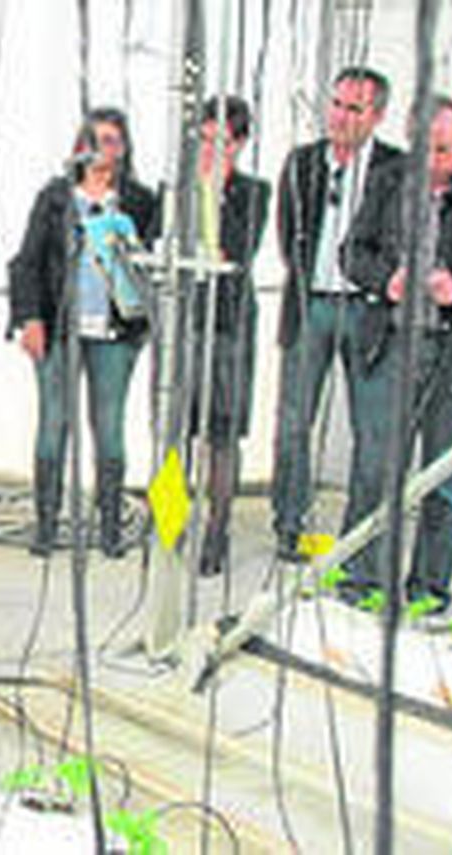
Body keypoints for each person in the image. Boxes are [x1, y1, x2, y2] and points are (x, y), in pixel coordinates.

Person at [342, 95, 452, 614]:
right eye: (431, 151)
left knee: (446, 477)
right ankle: (362, 580)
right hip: (392, 346)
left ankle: (428, 589)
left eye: (450, 148)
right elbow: (352, 252)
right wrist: (386, 280)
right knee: (375, 470)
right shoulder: (387, 181)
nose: (442, 161)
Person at [9, 107, 160, 558]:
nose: (102, 149)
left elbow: (151, 267)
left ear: (124, 148)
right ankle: (46, 525)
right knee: (53, 423)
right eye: (94, 139)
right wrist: (29, 318)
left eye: (112, 140)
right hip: (59, 329)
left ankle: (111, 526)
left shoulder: (139, 200)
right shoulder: (55, 198)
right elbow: (27, 262)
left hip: (114, 332)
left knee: (108, 427)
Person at [269, 67, 402, 562]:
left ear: (377, 116)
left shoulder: (397, 170)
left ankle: (359, 539)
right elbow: (288, 236)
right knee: (293, 422)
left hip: (370, 312)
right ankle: (289, 524)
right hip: (311, 305)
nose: (342, 118)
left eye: (355, 109)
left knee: (372, 433)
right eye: (337, 105)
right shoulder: (303, 163)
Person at [184, 96, 271, 577]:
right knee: (175, 429)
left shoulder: (254, 192)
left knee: (222, 429)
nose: (211, 149)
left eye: (222, 142)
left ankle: (217, 530)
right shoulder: (177, 187)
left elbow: (238, 249)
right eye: (206, 139)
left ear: (239, 144)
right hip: (185, 319)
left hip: (229, 321)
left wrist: (214, 189)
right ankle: (171, 524)